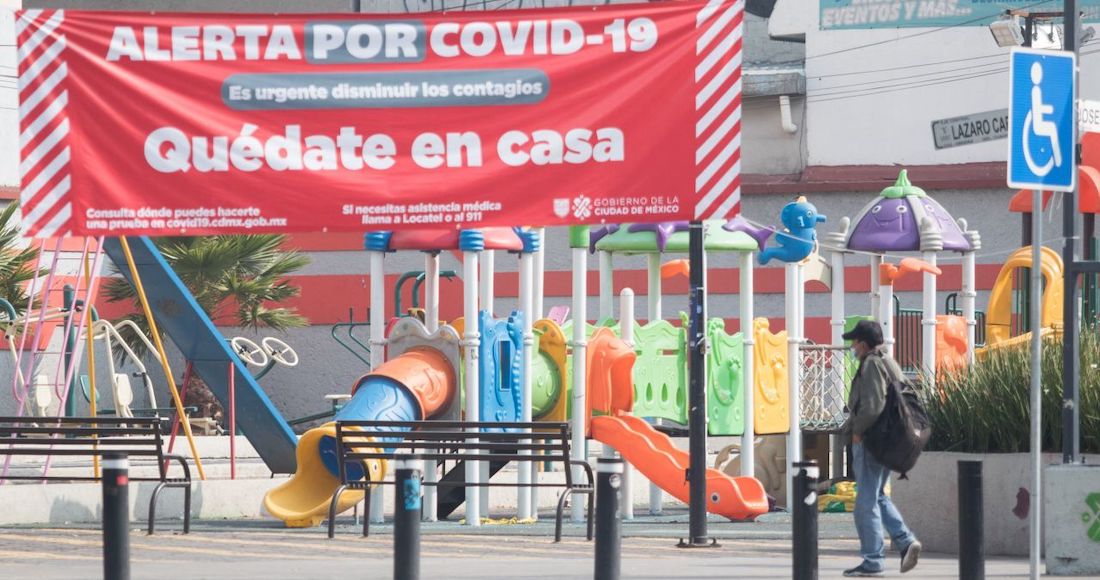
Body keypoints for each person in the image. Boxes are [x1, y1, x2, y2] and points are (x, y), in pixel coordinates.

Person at [839, 320, 921, 577]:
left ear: (863, 344)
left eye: (855, 342)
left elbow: (873, 405)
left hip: (871, 440)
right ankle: (906, 541)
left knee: (865, 503)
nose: (853, 346)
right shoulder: (889, 361)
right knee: (878, 496)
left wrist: (857, 431)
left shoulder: (872, 364)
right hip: (888, 440)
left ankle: (873, 560)